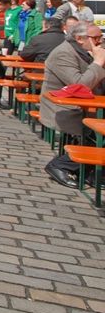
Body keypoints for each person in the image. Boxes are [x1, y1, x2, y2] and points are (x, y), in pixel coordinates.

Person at [40, 22, 105, 188]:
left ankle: (92, 173)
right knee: (96, 133)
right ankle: (61, 164)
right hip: (65, 110)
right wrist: (98, 63)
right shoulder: (63, 53)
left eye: (101, 37)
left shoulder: (87, 51)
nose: (100, 41)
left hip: (89, 106)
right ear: (79, 39)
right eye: (96, 38)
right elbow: (80, 85)